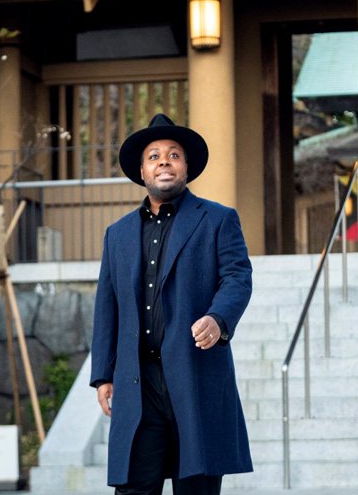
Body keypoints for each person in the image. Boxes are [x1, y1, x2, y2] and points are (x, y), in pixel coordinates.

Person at [90, 113, 253, 495]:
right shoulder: (118, 234)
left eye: (174, 155)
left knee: (197, 486)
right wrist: (103, 373)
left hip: (196, 375)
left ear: (186, 168)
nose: (164, 161)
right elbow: (107, 305)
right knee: (133, 486)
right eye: (154, 156)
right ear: (142, 171)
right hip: (138, 382)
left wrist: (218, 318)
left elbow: (237, 277)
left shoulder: (217, 219)